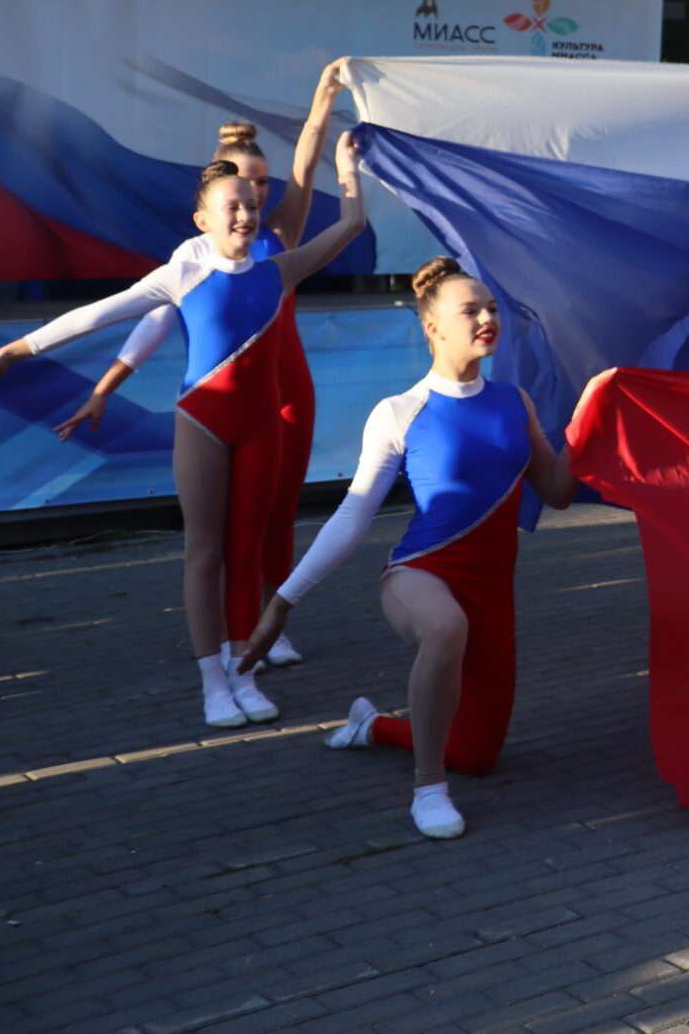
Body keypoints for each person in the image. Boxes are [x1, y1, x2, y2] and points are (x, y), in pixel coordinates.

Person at [0, 136, 367, 729]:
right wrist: (14, 350)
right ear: (202, 219)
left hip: (263, 428)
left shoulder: (280, 270)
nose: (245, 213)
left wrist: (348, 173)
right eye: (231, 205)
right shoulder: (181, 273)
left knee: (245, 549)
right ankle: (213, 680)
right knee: (204, 553)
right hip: (204, 426)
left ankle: (244, 668)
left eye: (251, 203)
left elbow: (351, 223)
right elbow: (97, 314)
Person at [237, 258, 585, 841]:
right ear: (433, 327)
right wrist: (283, 603)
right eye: (470, 310)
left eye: (492, 309)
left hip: (493, 593)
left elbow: (558, 492)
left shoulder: (513, 401)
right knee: (445, 629)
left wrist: (588, 416)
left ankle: (372, 726)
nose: (486, 319)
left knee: (476, 754)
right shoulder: (399, 412)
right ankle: (427, 788)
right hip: (420, 575)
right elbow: (353, 515)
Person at [51, 65, 348, 664]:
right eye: (241, 185)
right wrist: (110, 384)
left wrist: (323, 96)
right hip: (230, 399)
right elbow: (154, 318)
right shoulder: (196, 254)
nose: (255, 196)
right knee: (227, 526)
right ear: (215, 197)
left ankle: (270, 623)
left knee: (278, 510)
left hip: (289, 390)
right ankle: (226, 641)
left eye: (262, 183)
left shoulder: (282, 233)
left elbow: (309, 156)